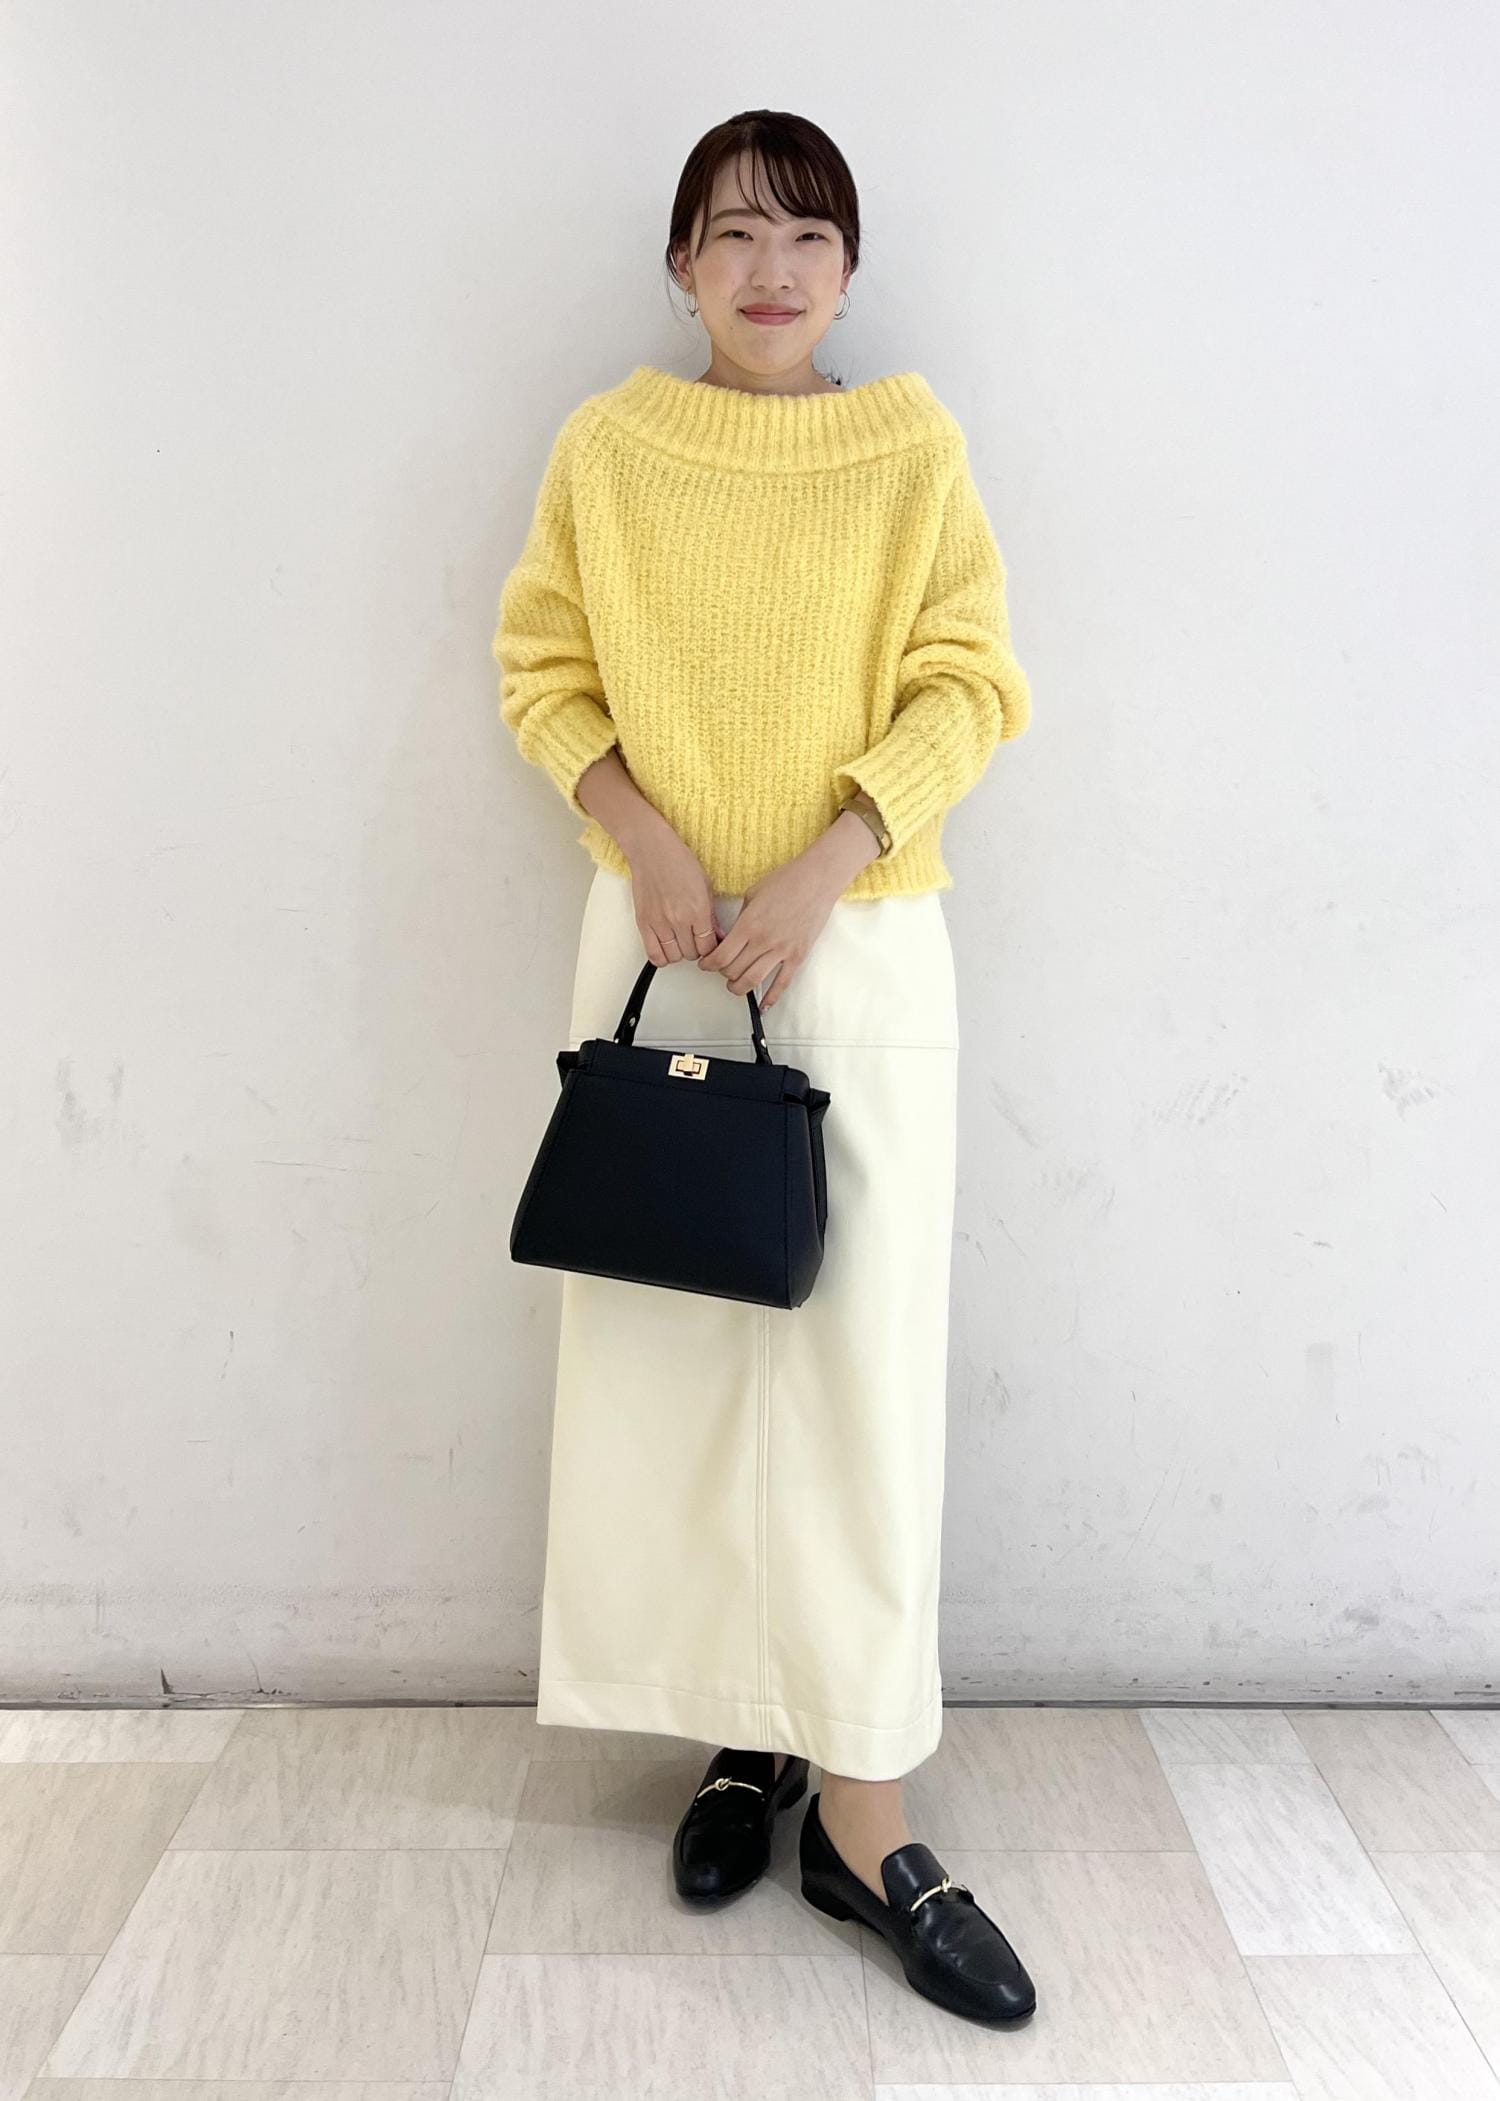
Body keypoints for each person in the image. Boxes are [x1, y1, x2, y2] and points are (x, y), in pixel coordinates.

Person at [493, 108, 1037, 2026]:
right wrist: (647, 841)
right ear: (680, 266)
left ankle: (865, 1816)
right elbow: (542, 668)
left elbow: (972, 679)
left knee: (854, 1378)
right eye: (731, 232)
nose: (771, 267)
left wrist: (825, 861)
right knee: (677, 1367)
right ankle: (748, 1733)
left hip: (859, 942)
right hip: (657, 954)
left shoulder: (911, 448)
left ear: (851, 268)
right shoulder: (609, 449)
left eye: (807, 233)